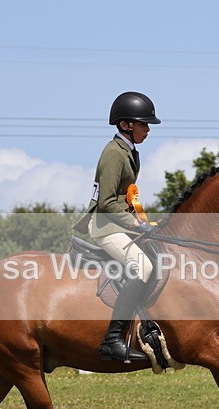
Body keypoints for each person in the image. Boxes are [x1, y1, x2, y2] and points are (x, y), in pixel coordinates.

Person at [73, 91, 160, 361]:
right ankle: (112, 340)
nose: (148, 130)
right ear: (126, 125)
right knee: (143, 267)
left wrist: (142, 221)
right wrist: (135, 224)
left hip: (120, 223)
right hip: (105, 226)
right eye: (143, 125)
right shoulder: (113, 153)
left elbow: (125, 197)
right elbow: (107, 202)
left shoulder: (130, 152)